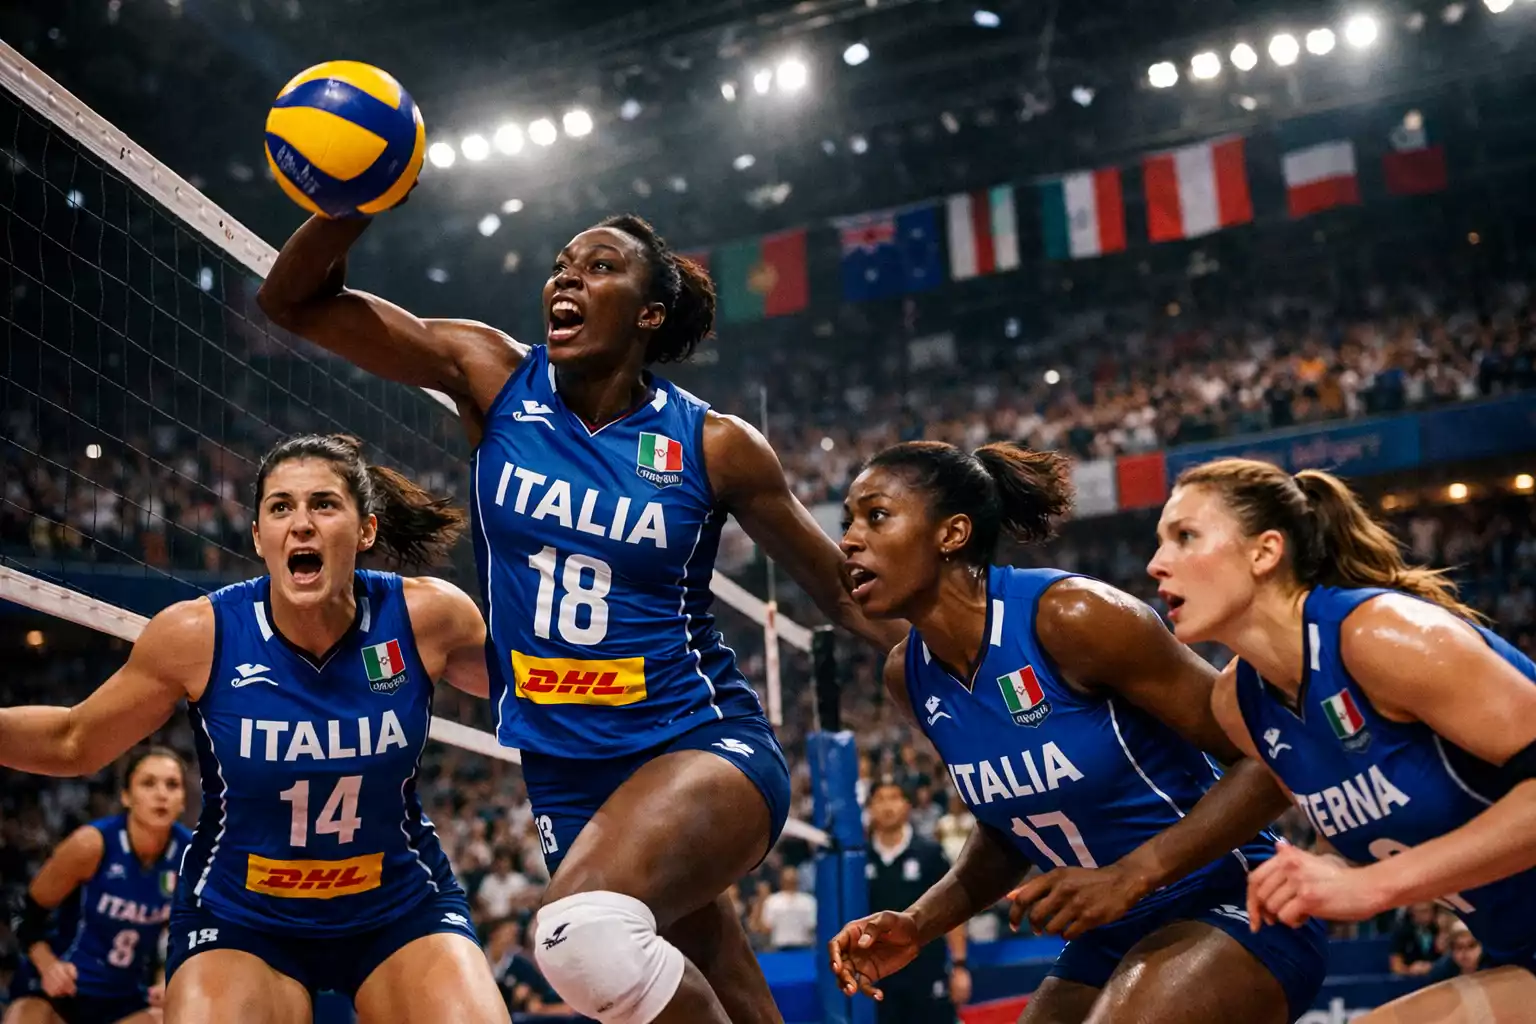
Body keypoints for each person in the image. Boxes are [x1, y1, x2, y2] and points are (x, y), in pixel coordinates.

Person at [258, 210, 907, 1024]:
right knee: (732, 993)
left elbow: (844, 595)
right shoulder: (493, 375)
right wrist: (350, 201)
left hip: (697, 742)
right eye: (562, 263)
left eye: (599, 267)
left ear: (649, 314)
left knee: (581, 938)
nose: (567, 276)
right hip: (566, 771)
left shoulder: (714, 445)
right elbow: (292, 303)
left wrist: (974, 677)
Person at [0, 434, 509, 1024]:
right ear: (259, 536)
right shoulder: (199, 634)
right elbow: (73, 741)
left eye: (324, 504)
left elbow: (534, 692)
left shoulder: (428, 617)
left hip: (397, 905)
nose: (301, 524)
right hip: (242, 918)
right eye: (281, 507)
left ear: (366, 530)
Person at [829, 440, 1327, 1024]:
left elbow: (1270, 757)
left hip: (1234, 898)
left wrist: (1130, 875)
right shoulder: (908, 676)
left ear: (952, 533)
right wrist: (919, 923)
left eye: (876, 516)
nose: (850, 540)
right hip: (1113, 927)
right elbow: (1008, 832)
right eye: (847, 523)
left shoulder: (1072, 617)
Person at [1148, 457, 1536, 1023]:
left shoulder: (1380, 636)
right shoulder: (1239, 705)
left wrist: (1375, 886)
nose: (1156, 563)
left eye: (1185, 536)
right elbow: (1363, 822)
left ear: (1265, 552)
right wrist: (1329, 871)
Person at [5, 748, 191, 1024]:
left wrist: (167, 977)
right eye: (148, 783)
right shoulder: (91, 845)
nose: (161, 794)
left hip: (126, 1000)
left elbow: (184, 933)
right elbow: (23, 910)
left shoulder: (191, 855)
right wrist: (48, 966)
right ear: (126, 796)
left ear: (184, 800)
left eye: (172, 785)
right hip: (61, 991)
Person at [863, 778, 969, 1024]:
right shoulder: (859, 860)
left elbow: (951, 910)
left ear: (907, 805)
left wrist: (960, 965)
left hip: (927, 971)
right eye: (880, 799)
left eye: (894, 798)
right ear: (870, 808)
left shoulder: (929, 853)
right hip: (880, 977)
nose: (887, 806)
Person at [754, 866, 817, 951]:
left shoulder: (809, 901)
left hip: (804, 948)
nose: (790, 882)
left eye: (792, 879)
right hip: (779, 949)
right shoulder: (772, 901)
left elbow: (812, 926)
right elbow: (766, 927)